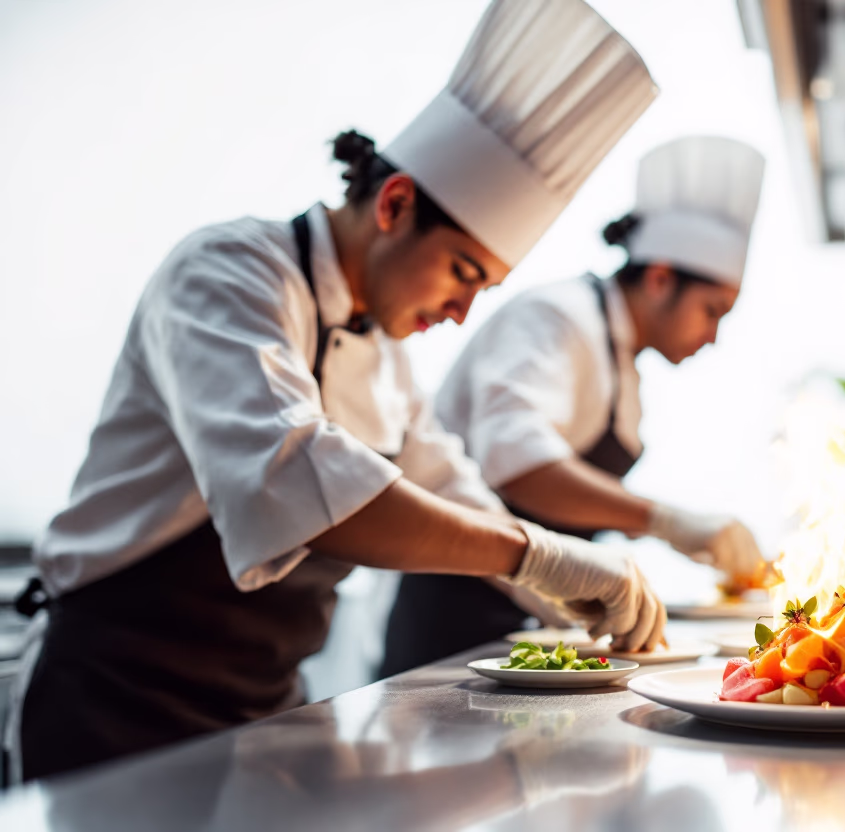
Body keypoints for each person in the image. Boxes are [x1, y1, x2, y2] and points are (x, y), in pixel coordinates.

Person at [5, 0, 663, 783]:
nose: (460, 313)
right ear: (394, 205)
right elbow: (290, 474)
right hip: (115, 701)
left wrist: (562, 590)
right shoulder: (226, 273)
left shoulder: (384, 355)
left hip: (259, 710)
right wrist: (535, 555)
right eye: (462, 273)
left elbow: (449, 484)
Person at [381, 136, 768, 673]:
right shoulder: (559, 319)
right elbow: (518, 465)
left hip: (544, 623)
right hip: (464, 623)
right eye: (712, 310)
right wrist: (665, 520)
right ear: (660, 279)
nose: (713, 336)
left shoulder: (619, 356)